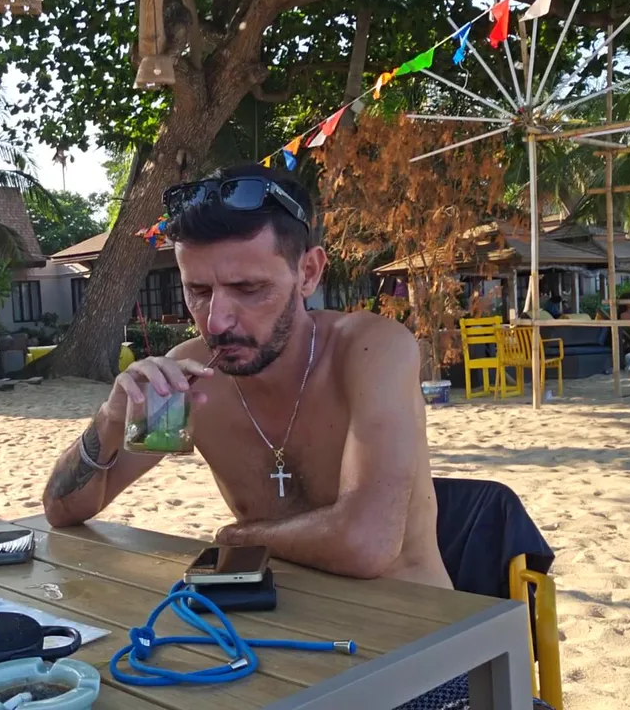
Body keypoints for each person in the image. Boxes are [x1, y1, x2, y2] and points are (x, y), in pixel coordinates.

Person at [41, 164, 452, 589]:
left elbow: (366, 544)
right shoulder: (191, 379)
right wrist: (110, 419)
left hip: (421, 619)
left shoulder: (370, 350)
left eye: (248, 289)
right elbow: (62, 510)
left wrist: (235, 538)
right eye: (198, 292)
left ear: (308, 273)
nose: (216, 321)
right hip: (270, 618)